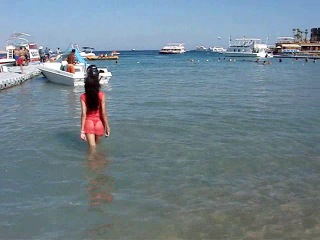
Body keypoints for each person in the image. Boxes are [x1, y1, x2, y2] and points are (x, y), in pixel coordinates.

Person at [80, 65, 110, 148]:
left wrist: (82, 131)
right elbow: (103, 113)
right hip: (99, 123)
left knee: (92, 148)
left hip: (88, 122)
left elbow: (83, 114)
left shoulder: (83, 97)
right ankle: (99, 160)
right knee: (96, 146)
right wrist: (107, 127)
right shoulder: (102, 95)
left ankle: (91, 161)